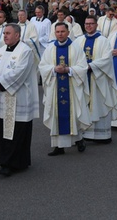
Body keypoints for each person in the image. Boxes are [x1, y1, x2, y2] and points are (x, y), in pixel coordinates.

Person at [0, 24, 39, 176]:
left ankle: (14, 163)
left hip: (18, 97)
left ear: (17, 35)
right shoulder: (2, 51)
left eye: (8, 33)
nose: (5, 36)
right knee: (2, 128)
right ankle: (2, 158)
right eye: (4, 34)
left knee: (16, 130)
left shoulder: (25, 51)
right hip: (2, 96)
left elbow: (19, 73)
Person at [39, 23, 90, 155]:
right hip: (55, 86)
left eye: (63, 31)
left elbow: (83, 67)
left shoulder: (76, 48)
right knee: (57, 114)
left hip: (72, 86)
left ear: (68, 32)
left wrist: (68, 69)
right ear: (55, 33)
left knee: (73, 113)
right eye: (58, 32)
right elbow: (42, 66)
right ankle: (58, 147)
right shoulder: (50, 48)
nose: (60, 34)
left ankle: (79, 140)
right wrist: (53, 69)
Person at [74, 16, 117, 143]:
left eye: (91, 23)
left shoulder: (103, 41)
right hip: (83, 78)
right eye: (86, 24)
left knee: (99, 103)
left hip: (98, 79)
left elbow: (107, 59)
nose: (88, 26)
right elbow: (74, 57)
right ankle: (84, 132)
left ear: (96, 25)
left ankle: (102, 135)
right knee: (84, 103)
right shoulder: (79, 41)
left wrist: (91, 66)